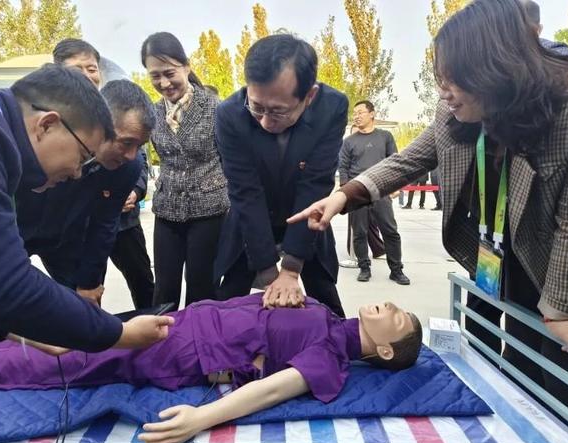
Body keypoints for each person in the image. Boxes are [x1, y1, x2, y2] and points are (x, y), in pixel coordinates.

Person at [289, 0, 568, 421]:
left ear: (494, 70)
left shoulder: (567, 112)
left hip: (566, 271)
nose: (443, 92)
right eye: (440, 79)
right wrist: (344, 196)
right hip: (508, 259)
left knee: (560, 381)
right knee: (520, 371)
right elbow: (410, 159)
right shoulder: (455, 109)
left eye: (452, 80)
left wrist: (563, 307)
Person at [0, 294, 422, 443]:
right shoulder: (327, 314)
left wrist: (200, 418)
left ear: (383, 350)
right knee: (84, 334)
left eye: (399, 318)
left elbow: (273, 390)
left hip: (185, 352)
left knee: (78, 360)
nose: (392, 305)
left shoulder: (330, 355)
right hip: (186, 322)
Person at [0, 64, 172, 352]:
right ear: (46, 125)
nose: (77, 173)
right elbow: (4, 286)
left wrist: (36, 336)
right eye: (83, 156)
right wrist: (118, 334)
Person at [214, 34, 347, 316]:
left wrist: (291, 268)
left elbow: (315, 185)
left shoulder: (331, 108)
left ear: (309, 96)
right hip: (250, 222)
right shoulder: (229, 115)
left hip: (307, 215)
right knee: (226, 308)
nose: (265, 122)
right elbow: (245, 192)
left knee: (327, 305)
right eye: (257, 108)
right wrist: (268, 272)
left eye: (278, 112)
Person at [17, 79, 154, 307]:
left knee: (81, 307)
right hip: (17, 227)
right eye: (126, 142)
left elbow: (105, 224)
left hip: (68, 240)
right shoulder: (48, 143)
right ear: (99, 124)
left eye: (139, 146)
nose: (131, 155)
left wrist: (89, 282)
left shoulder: (128, 166)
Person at [51, 38, 156, 309]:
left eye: (92, 69)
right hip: (65, 232)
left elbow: (138, 160)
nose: (87, 77)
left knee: (137, 281)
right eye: (77, 70)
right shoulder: (48, 131)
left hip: (119, 221)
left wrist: (135, 191)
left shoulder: (127, 146)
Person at [141, 32, 230, 309]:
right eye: (155, 76)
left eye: (170, 73)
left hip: (209, 211)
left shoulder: (216, 109)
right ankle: (163, 335)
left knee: (202, 287)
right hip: (167, 209)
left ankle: (200, 335)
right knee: (164, 287)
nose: (164, 83)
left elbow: (231, 162)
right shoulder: (152, 112)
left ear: (187, 67)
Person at [339, 100, 409, 285]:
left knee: (390, 231)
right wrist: (346, 193)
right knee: (359, 233)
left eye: (360, 112)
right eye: (355, 113)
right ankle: (364, 268)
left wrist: (395, 186)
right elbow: (343, 168)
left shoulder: (385, 136)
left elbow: (395, 162)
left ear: (372, 114)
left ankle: (396, 270)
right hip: (357, 193)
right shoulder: (349, 142)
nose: (357, 116)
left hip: (381, 190)